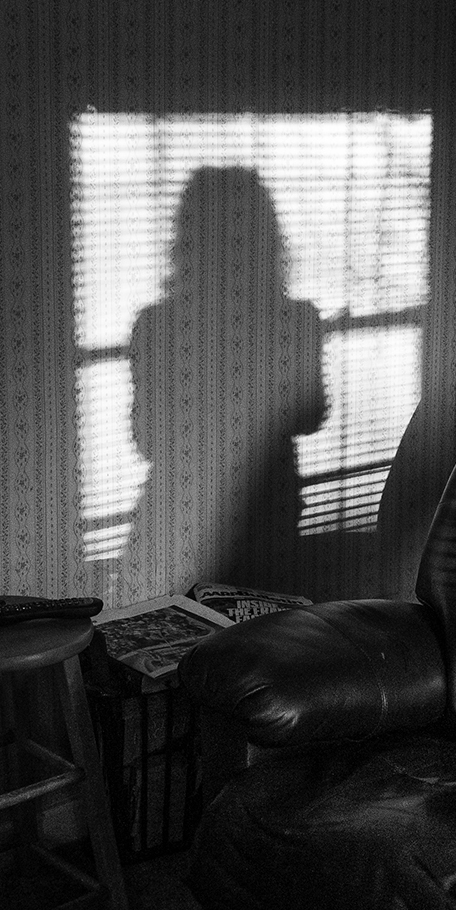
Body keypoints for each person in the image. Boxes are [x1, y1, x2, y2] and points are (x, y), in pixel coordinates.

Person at [119, 168, 325, 601]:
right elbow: (310, 414)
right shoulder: (296, 319)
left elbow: (146, 438)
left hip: (209, 506)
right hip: (262, 505)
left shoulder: (157, 325)